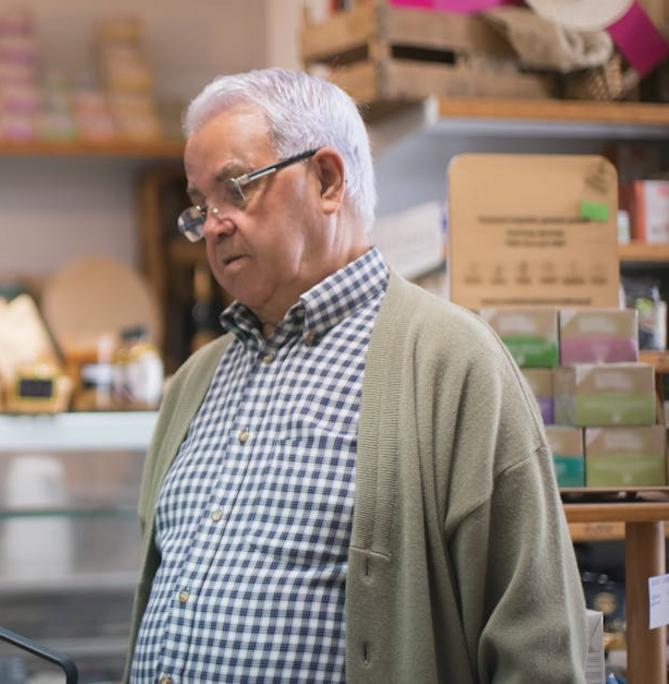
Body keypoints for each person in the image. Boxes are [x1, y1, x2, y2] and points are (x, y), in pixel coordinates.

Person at [125, 67, 586, 682]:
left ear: (327, 180)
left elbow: (539, 645)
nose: (212, 224)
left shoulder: (454, 363)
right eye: (199, 204)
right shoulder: (192, 384)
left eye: (236, 188)